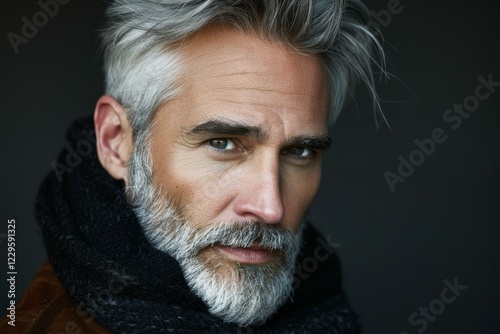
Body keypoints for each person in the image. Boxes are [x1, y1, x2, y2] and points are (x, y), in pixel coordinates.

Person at [1, 0, 385, 332]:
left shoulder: (324, 308)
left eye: (300, 152)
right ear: (116, 143)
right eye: (222, 143)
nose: (270, 208)